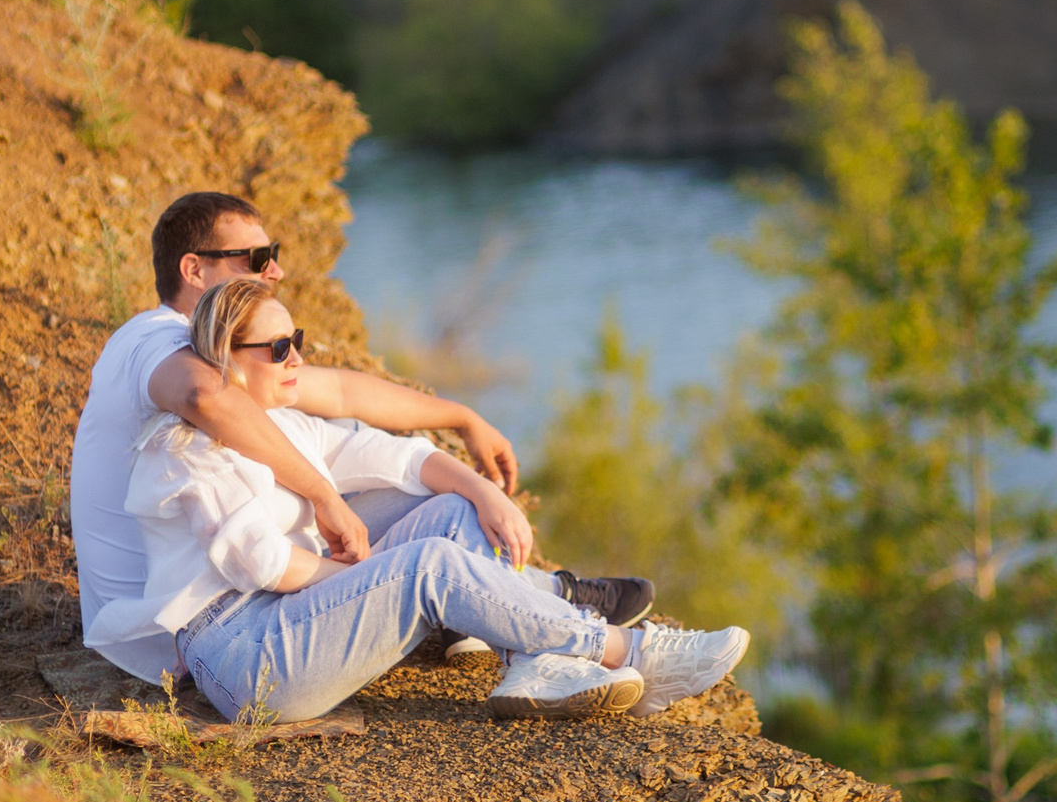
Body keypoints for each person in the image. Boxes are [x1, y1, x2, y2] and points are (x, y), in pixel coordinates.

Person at [85, 278, 750, 722]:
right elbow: (260, 563)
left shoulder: (286, 424)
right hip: (239, 655)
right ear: (226, 359)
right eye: (279, 347)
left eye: (300, 342)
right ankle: (628, 652)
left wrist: (483, 488)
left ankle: (536, 663)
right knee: (426, 562)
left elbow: (396, 457)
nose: (296, 359)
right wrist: (364, 574)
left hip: (284, 617)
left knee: (453, 513)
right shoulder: (183, 448)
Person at [70, 191, 649, 684]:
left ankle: (512, 614)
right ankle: (547, 604)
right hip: (185, 622)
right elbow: (205, 398)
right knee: (389, 514)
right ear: (194, 271)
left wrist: (461, 418)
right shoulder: (153, 336)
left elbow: (343, 393)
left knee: (437, 497)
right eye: (257, 257)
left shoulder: (225, 349)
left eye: (274, 257)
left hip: (226, 586)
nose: (274, 270)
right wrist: (324, 499)